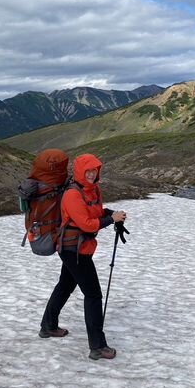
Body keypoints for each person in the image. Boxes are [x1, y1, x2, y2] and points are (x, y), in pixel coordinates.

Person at [39, 153, 127, 360]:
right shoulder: (72, 194)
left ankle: (48, 326)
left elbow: (94, 213)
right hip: (73, 251)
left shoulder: (92, 190)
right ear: (79, 171)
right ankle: (97, 346)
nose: (91, 174)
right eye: (87, 170)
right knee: (94, 295)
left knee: (65, 285)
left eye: (94, 170)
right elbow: (87, 224)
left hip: (79, 248)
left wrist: (110, 213)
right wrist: (110, 219)